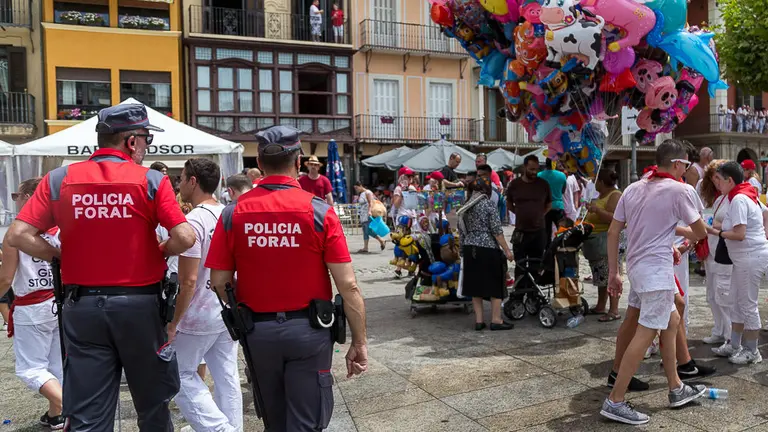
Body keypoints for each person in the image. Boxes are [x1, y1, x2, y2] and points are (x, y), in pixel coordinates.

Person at [5, 103, 196, 431]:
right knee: (153, 406)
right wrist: (160, 250)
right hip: (140, 307)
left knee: (89, 413)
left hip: (84, 308)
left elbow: (18, 234)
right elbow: (186, 236)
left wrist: (58, 255)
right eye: (146, 140)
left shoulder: (59, 179)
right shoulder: (150, 180)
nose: (147, 147)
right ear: (132, 142)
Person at [205, 125, 368, 431]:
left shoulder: (232, 213)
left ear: (260, 165)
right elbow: (348, 285)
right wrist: (359, 342)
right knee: (307, 421)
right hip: (309, 331)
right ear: (298, 162)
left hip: (258, 331)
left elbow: (219, 281)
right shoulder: (320, 212)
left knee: (275, 421)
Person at [600, 139, 707, 425]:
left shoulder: (634, 188)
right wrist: (682, 237)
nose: (686, 171)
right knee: (646, 332)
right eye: (685, 165)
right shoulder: (679, 190)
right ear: (676, 164)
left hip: (638, 268)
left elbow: (614, 232)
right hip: (656, 271)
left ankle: (675, 387)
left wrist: (614, 272)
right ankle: (615, 399)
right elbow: (699, 231)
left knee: (671, 321)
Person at [170, 158, 243, 432]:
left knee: (180, 375)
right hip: (225, 307)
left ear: (193, 182)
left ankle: (219, 429)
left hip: (198, 312)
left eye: (182, 178)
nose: (178, 184)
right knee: (226, 375)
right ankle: (231, 427)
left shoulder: (193, 221)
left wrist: (173, 322)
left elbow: (188, 280)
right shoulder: (230, 213)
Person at [0, 178, 64, 429]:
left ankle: (70, 407)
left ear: (29, 197)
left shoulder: (16, 231)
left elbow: (6, 277)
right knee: (56, 365)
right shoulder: (59, 229)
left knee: (31, 369)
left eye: (18, 196)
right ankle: (56, 414)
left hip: (31, 305)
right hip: (58, 302)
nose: (16, 201)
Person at [710, 161, 768, 364]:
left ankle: (753, 351)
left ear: (730, 180)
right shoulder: (743, 194)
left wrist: (716, 231)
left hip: (750, 256)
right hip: (745, 257)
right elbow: (765, 213)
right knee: (735, 301)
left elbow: (740, 234)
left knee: (747, 303)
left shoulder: (739, 199)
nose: (717, 183)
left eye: (719, 179)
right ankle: (735, 344)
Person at [457, 176, 514, 331]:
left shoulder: (464, 207)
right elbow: (496, 231)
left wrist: (462, 251)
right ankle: (496, 320)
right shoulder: (488, 205)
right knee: (496, 283)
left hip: (470, 248)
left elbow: (461, 232)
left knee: (475, 285)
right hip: (487, 248)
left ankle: (479, 320)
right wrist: (507, 250)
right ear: (487, 191)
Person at [699, 160, 733, 345]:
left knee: (724, 294)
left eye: (718, 178)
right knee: (712, 294)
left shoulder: (735, 197)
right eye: (713, 179)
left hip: (725, 251)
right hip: (711, 249)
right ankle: (720, 330)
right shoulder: (717, 198)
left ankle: (730, 336)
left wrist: (714, 226)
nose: (715, 182)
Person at [582, 169, 622, 322]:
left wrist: (597, 210)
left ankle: (614, 310)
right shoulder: (602, 195)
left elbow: (615, 219)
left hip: (607, 242)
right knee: (601, 276)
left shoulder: (615, 196)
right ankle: (601, 306)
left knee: (611, 276)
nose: (594, 183)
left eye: (596, 181)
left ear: (602, 182)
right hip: (596, 242)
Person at [506, 155, 551, 281]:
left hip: (539, 231)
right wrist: (519, 213)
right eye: (531, 169)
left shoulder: (543, 184)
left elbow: (549, 204)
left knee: (536, 264)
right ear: (525, 167)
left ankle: (533, 293)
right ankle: (519, 293)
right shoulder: (515, 185)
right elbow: (509, 204)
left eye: (536, 169)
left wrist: (540, 215)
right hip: (521, 231)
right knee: (520, 263)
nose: (534, 172)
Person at [537, 158, 567, 242]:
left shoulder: (539, 175)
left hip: (545, 208)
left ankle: (547, 251)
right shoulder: (562, 175)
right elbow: (563, 191)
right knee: (561, 231)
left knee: (546, 232)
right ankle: (560, 247)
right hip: (558, 206)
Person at [353, 181, 387, 253]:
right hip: (363, 214)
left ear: (360, 186)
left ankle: (381, 240)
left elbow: (370, 202)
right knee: (365, 231)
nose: (356, 189)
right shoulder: (361, 194)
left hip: (368, 214)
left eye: (356, 187)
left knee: (368, 230)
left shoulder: (367, 192)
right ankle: (365, 247)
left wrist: (369, 211)